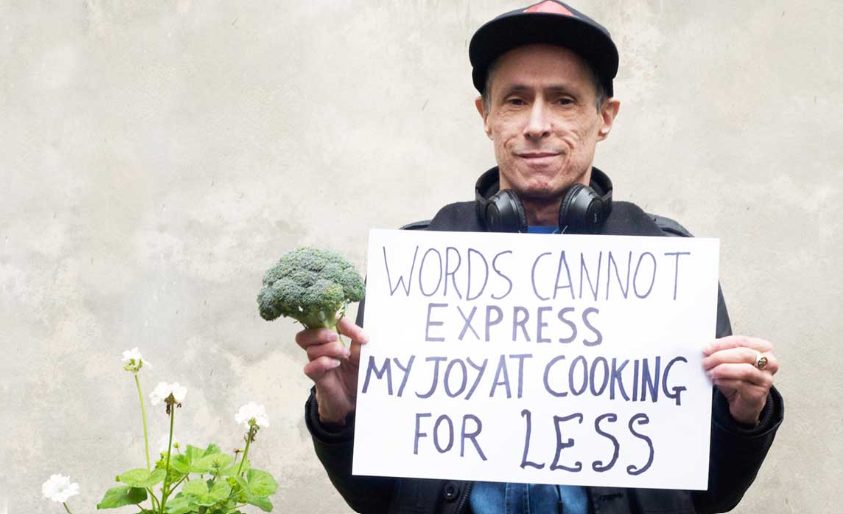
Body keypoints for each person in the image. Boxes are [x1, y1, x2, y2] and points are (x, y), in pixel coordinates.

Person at [296, 1, 784, 512]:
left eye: (564, 100)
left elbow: (716, 495)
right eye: (514, 100)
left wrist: (746, 411)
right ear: (486, 116)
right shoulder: (418, 261)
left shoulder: (669, 257)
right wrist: (341, 415)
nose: (536, 124)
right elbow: (373, 498)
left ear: (604, 118)